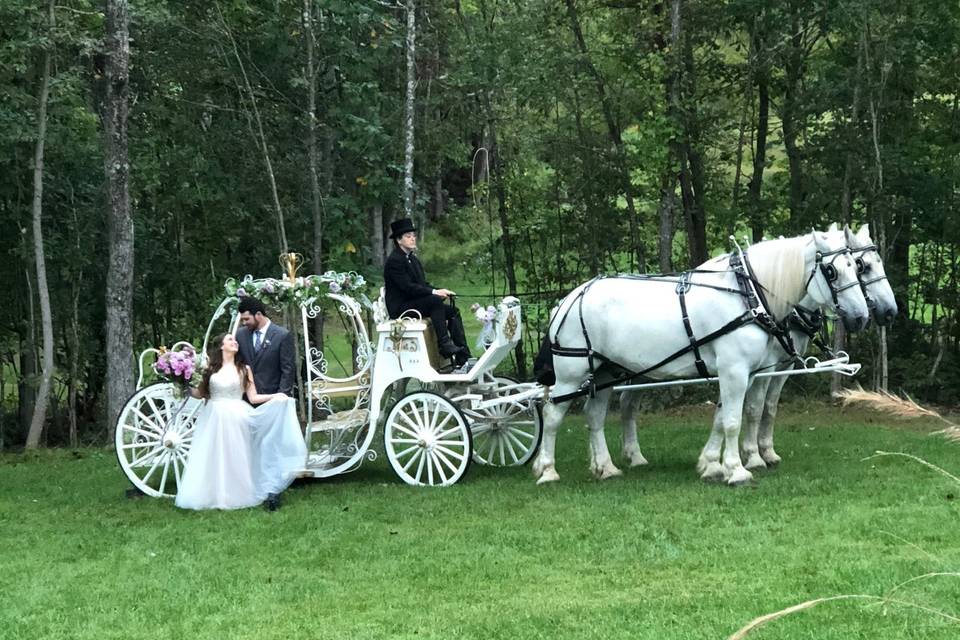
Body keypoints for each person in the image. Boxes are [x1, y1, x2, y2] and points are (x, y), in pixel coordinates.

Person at [175, 334, 307, 512]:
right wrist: (182, 383)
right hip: (214, 416)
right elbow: (201, 393)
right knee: (213, 455)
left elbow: (253, 397)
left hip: (236, 415)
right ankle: (212, 493)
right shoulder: (210, 369)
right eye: (230, 340)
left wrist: (276, 396)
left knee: (236, 455)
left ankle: (237, 493)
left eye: (234, 340)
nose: (234, 342)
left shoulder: (244, 369)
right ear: (222, 346)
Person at [383, 218, 471, 366]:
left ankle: (463, 354)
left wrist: (441, 290)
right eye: (408, 236)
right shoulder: (395, 261)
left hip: (412, 302)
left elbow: (422, 284)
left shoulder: (412, 259)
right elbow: (408, 287)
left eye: (413, 235)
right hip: (401, 307)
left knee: (453, 311)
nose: (412, 239)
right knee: (434, 301)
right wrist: (434, 292)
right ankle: (444, 344)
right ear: (399, 240)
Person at [236, 297, 296, 397]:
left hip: (273, 397)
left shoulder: (282, 335)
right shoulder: (240, 335)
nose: (244, 323)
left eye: (247, 319)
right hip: (247, 398)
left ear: (258, 315)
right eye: (242, 320)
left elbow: (288, 370)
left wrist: (281, 395)